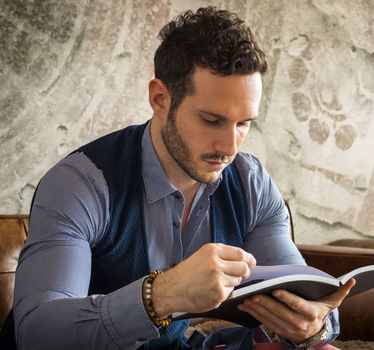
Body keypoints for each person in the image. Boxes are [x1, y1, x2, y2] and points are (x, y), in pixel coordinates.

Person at [4, 6, 354, 350]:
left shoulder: (252, 185)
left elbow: (307, 292)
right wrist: (164, 294)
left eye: (244, 123)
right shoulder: (79, 184)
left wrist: (314, 326)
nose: (229, 147)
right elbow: (37, 333)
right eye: (211, 120)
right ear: (160, 98)